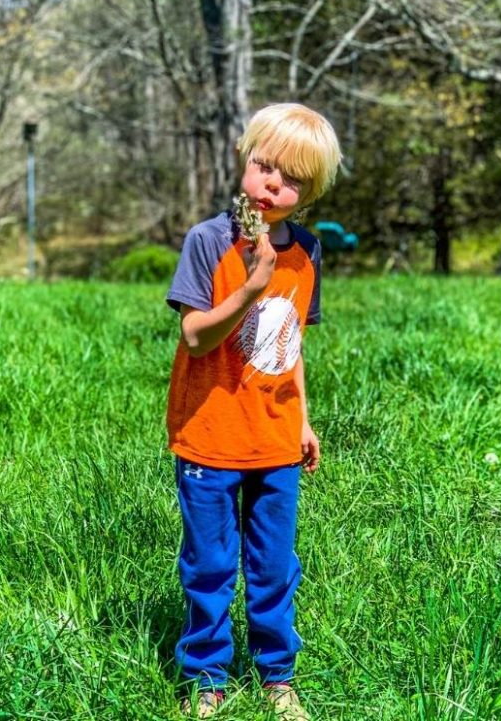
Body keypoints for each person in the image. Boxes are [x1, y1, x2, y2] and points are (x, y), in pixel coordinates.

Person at [166, 103, 342, 719]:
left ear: (309, 192)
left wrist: (302, 420)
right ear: (245, 159)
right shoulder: (208, 242)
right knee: (210, 565)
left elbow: (289, 343)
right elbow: (195, 337)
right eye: (265, 165)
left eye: (290, 178)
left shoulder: (308, 252)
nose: (272, 184)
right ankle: (207, 677)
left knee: (273, 565)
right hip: (209, 435)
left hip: (274, 439)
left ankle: (277, 676)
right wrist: (250, 288)